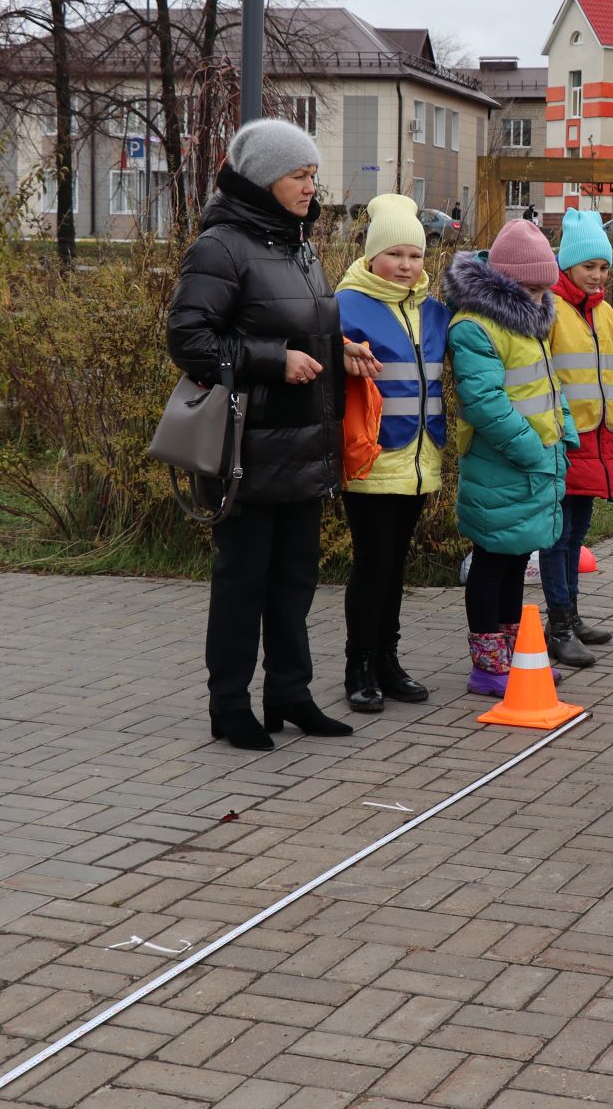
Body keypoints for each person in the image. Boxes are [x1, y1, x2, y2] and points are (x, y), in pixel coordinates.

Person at [166, 118, 365, 750]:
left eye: (313, 174)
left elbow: (302, 325)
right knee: (243, 581)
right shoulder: (220, 247)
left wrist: (340, 351)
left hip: (304, 446)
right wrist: (271, 360)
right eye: (300, 175)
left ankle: (289, 693)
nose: (312, 186)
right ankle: (229, 704)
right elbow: (189, 340)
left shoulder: (298, 243)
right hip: (247, 450)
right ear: (263, 179)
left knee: (295, 579)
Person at [441, 222, 577, 696]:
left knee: (518, 558)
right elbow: (484, 403)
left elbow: (548, 384)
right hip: (503, 465)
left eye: (546, 289)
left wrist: (565, 435)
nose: (542, 298)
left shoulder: (530, 321)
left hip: (535, 462)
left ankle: (515, 652)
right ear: (506, 282)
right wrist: (531, 449)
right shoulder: (476, 327)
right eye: (533, 288)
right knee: (492, 561)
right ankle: (487, 663)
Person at [335, 193, 446, 714]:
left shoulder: (435, 311)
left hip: (421, 457)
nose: (406, 266)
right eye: (395, 255)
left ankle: (388, 660)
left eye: (415, 256)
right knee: (373, 562)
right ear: (372, 254)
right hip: (371, 456)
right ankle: (359, 665)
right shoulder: (345, 305)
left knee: (396, 564)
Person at [540, 210, 613, 667]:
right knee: (557, 537)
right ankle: (557, 623)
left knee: (576, 535)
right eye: (588, 267)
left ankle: (571, 616)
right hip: (563, 438)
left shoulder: (607, 313)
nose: (597, 276)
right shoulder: (549, 308)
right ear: (567, 267)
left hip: (597, 440)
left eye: (603, 267)